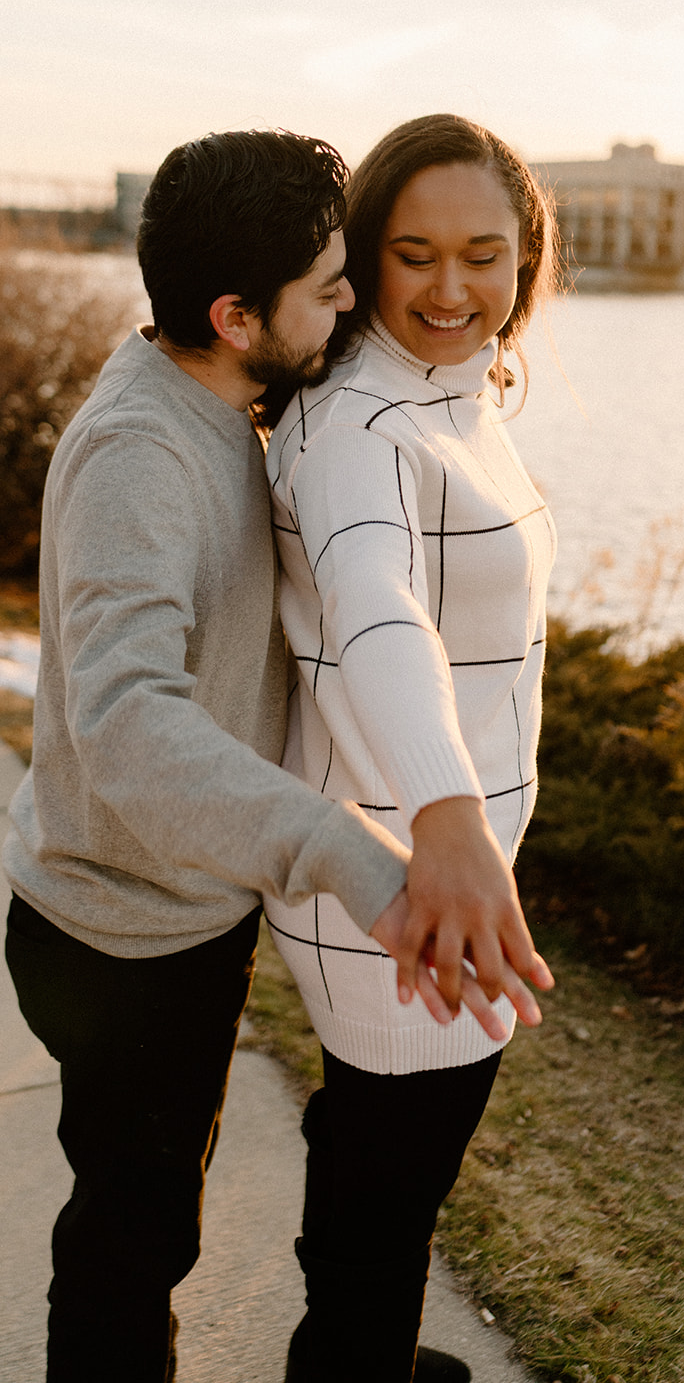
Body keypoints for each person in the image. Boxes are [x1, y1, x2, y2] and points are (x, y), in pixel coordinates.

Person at [2, 128, 551, 1383]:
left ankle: (359, 1344)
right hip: (122, 931)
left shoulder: (210, 396)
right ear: (236, 316)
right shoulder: (143, 456)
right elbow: (131, 726)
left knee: (148, 1212)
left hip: (171, 907)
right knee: (134, 1238)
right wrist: (351, 850)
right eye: (332, 286)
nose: (354, 304)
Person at [261, 113, 559, 1383]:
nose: (450, 289)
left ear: (524, 255)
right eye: (414, 254)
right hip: (405, 882)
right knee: (397, 1180)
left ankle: (352, 1337)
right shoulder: (364, 429)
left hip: (432, 860)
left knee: (380, 1164)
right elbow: (378, 612)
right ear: (365, 253)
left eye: (482, 256)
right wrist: (449, 820)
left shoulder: (448, 394)